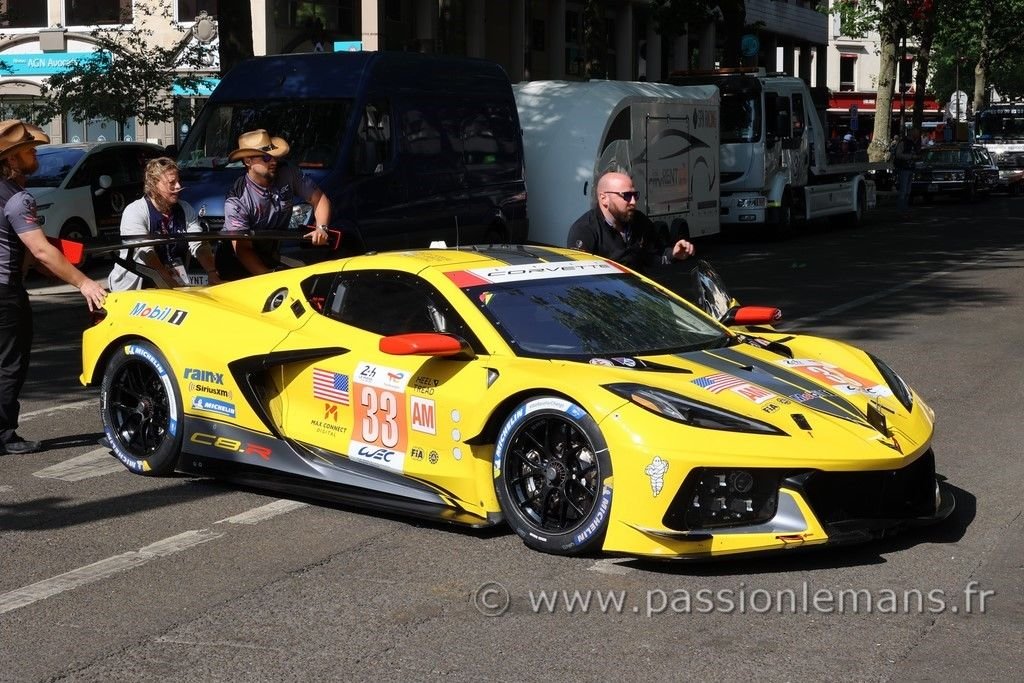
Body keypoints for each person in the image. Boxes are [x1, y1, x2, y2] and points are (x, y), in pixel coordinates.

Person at [0, 120, 106, 456]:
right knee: (9, 365)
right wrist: (84, 282)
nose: (36, 155)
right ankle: (3, 435)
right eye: (29, 151)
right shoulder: (18, 199)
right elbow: (41, 250)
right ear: (11, 159)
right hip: (4, 293)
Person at [217, 129, 331, 279]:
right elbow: (242, 249)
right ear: (247, 161)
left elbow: (320, 199)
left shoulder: (288, 172)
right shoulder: (237, 199)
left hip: (271, 255)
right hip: (237, 265)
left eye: (274, 156)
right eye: (266, 157)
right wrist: (269, 278)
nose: (273, 161)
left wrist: (321, 228)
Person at [108, 157, 221, 291]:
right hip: (133, 290)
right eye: (172, 183)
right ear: (154, 184)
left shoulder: (185, 209)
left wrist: (212, 273)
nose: (178, 186)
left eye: (179, 181)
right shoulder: (135, 211)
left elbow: (199, 244)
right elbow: (146, 253)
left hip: (171, 284)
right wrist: (171, 284)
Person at [566, 171, 695, 273]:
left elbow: (654, 256)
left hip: (638, 296)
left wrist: (673, 254)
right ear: (604, 198)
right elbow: (579, 278)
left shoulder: (639, 221)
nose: (633, 201)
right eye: (627, 196)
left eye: (635, 195)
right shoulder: (584, 230)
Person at [894, 127, 922, 217]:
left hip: (910, 168)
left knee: (907, 191)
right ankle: (900, 210)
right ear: (912, 133)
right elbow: (898, 155)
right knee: (903, 191)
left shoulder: (913, 143)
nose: (917, 135)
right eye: (916, 133)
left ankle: (904, 209)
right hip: (904, 168)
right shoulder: (904, 142)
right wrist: (910, 157)